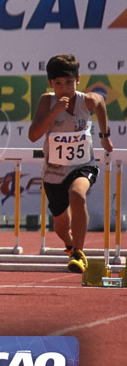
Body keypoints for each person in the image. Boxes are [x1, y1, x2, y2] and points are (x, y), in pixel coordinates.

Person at [28, 54, 114, 273]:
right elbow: (33, 135)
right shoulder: (47, 101)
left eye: (68, 82)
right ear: (50, 83)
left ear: (78, 79)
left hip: (82, 165)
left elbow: (101, 103)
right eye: (58, 83)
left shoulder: (87, 100)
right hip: (53, 171)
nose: (64, 88)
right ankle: (69, 243)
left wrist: (104, 135)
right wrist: (53, 112)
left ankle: (78, 252)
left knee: (78, 195)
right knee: (60, 226)